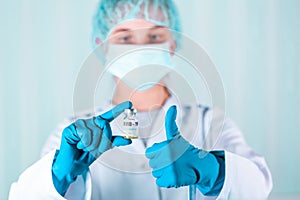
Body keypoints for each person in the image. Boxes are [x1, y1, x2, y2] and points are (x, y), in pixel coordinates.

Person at [9, 0, 273, 199]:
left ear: (172, 45)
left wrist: (214, 172)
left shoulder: (209, 122)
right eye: (125, 37)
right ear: (103, 46)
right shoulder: (76, 131)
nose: (141, 48)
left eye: (155, 36)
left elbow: (258, 188)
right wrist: (58, 175)